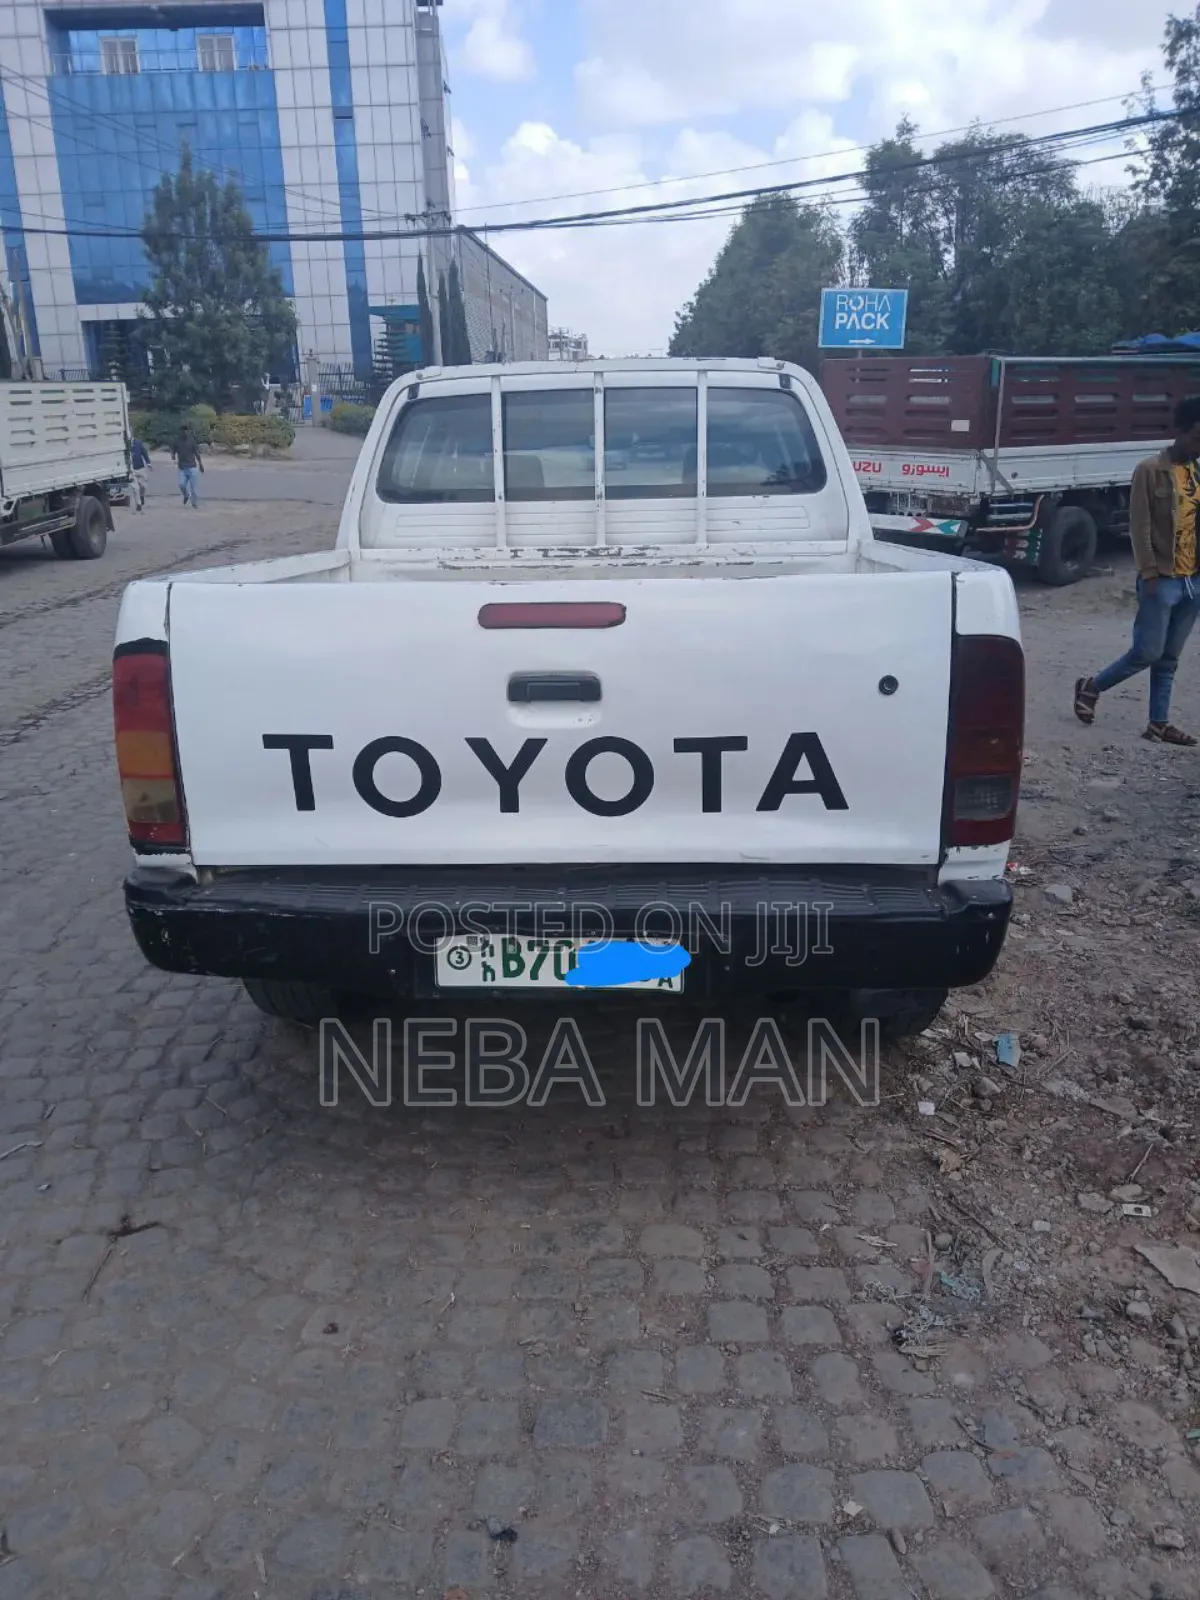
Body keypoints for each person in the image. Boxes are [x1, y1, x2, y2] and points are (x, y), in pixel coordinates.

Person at [1074, 396, 1200, 745]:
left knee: (1169, 658)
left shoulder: (1197, 470)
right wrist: (1149, 574)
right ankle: (1091, 687)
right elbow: (1140, 526)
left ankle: (1158, 723)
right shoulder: (1150, 470)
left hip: (1193, 579)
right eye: (1196, 437)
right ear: (1179, 431)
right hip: (1161, 578)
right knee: (1147, 651)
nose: (1198, 446)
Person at [171, 425, 204, 508]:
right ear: (181, 432)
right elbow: (173, 450)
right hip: (182, 468)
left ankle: (194, 503)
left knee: (194, 488)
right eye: (183, 431)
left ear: (188, 431)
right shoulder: (177, 441)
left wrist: (201, 464)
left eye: (186, 431)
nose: (185, 432)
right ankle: (186, 495)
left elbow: (197, 453)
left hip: (192, 467)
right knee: (181, 485)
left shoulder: (192, 441)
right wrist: (173, 456)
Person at [129, 436, 151, 512]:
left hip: (140, 467)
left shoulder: (138, 443)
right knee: (135, 488)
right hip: (131, 469)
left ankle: (142, 496)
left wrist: (148, 463)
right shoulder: (125, 444)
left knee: (143, 486)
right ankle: (138, 504)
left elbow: (144, 452)